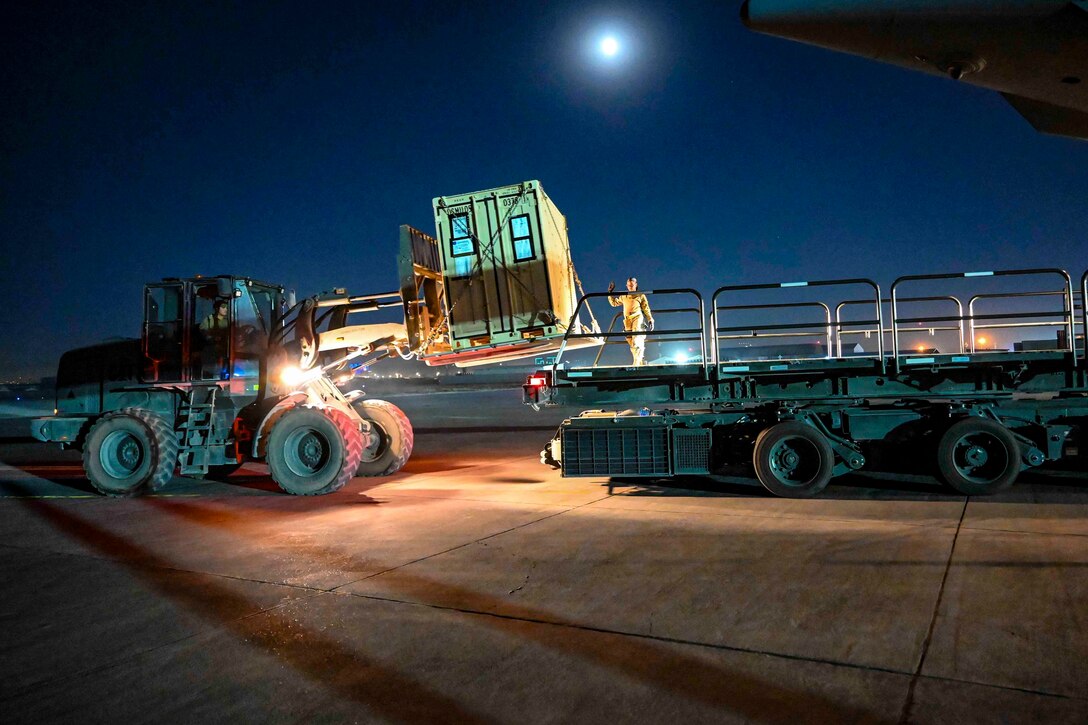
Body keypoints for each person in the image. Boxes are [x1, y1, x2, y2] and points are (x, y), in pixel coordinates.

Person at [608, 277, 654, 366]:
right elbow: (614, 303)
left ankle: (636, 363)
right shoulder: (624, 295)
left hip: (637, 318)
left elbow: (646, 308)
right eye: (629, 285)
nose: (630, 287)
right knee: (631, 340)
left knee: (637, 339)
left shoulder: (640, 295)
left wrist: (650, 319)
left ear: (636, 285)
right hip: (627, 320)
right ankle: (639, 360)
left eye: (632, 285)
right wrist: (610, 293)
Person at [199, 299, 230, 378]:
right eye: (223, 307)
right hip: (211, 351)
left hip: (226, 350)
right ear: (217, 308)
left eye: (226, 307)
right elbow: (203, 333)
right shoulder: (209, 320)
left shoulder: (229, 321)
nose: (225, 309)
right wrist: (212, 338)